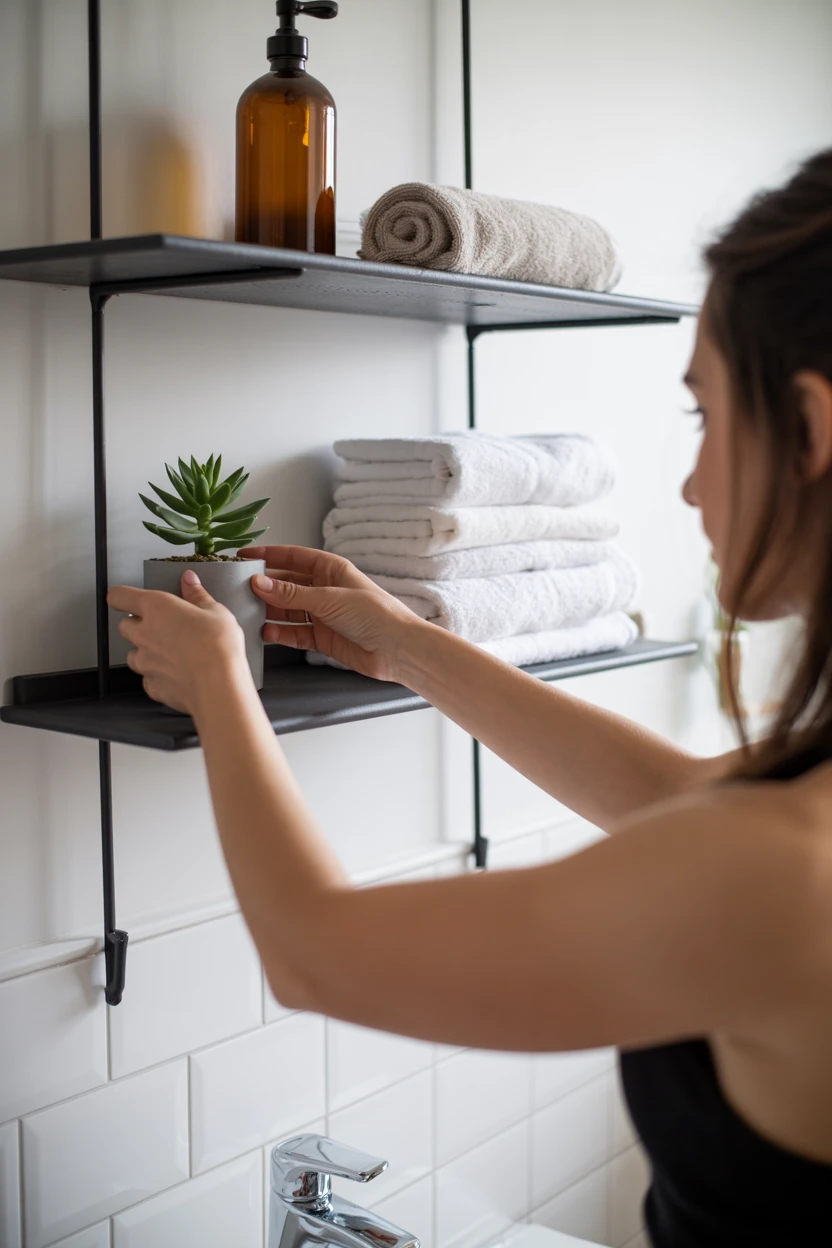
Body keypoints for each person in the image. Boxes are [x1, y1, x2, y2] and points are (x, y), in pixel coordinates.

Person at [108, 150, 832, 1247]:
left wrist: (221, 688)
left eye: (702, 417)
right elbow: (679, 798)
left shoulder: (781, 869)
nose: (688, 485)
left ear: (812, 433)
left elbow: (315, 954)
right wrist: (407, 644)